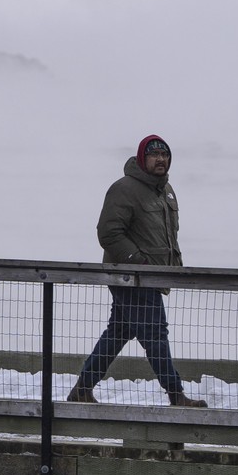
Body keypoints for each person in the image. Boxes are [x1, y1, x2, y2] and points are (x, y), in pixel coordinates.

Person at [67, 134, 207, 407]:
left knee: (118, 332)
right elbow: (108, 233)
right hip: (131, 276)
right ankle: (176, 395)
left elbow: (167, 236)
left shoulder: (165, 190)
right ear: (143, 159)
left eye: (165, 155)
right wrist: (137, 261)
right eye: (154, 155)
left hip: (152, 277)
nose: (161, 159)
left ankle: (82, 389)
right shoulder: (124, 189)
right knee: (156, 333)